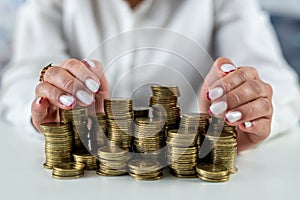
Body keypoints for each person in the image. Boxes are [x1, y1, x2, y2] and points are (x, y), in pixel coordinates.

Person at [0, 0, 299, 152]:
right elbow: (25, 72)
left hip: (190, 165)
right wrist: (45, 101)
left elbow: (274, 79)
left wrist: (251, 107)